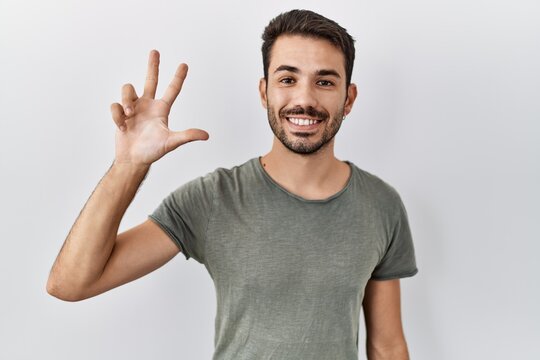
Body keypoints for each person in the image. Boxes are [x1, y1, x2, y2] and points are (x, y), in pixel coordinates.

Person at [47, 9, 418, 360]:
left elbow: (387, 348)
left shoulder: (381, 205)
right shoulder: (212, 200)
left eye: (324, 82)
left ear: (348, 98)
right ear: (264, 92)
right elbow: (71, 284)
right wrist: (127, 166)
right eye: (287, 79)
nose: (304, 99)